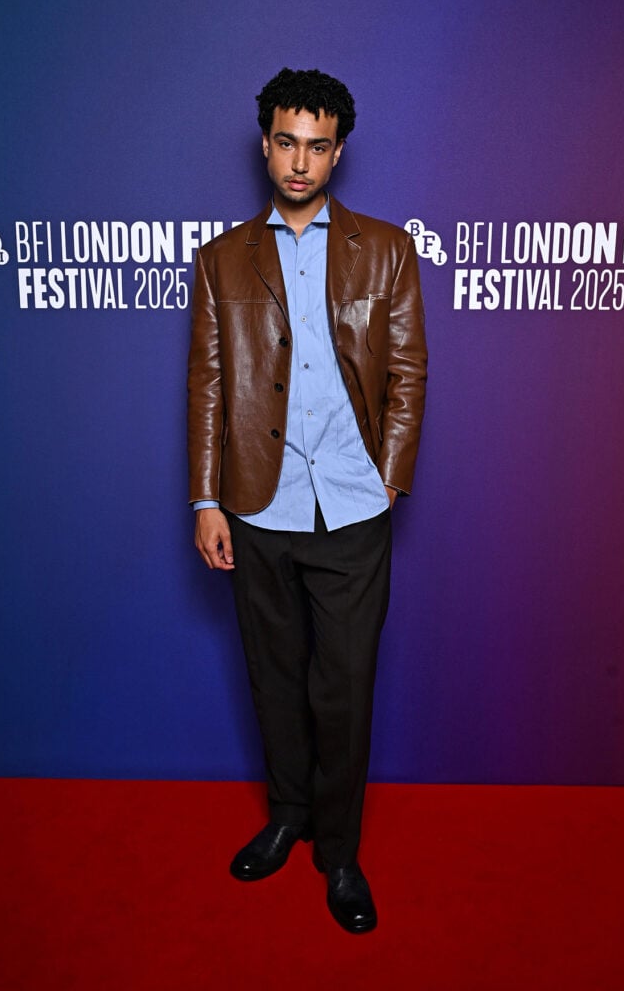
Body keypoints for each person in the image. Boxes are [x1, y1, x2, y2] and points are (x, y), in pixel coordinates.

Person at [187, 67, 427, 934]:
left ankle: (339, 852)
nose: (299, 161)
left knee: (345, 685)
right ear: (264, 143)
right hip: (256, 506)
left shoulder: (387, 249)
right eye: (285, 141)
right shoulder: (220, 259)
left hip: (354, 510)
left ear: (338, 152)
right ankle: (286, 814)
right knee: (273, 675)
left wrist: (388, 479)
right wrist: (205, 500)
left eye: (317, 145)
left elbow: (408, 373)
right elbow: (208, 382)